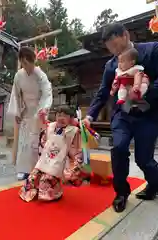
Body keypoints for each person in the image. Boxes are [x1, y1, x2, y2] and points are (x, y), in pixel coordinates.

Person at [83, 23, 158, 212]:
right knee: (119, 147)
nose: (115, 52)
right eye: (111, 49)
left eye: (116, 46)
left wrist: (144, 93)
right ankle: (121, 192)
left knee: (144, 159)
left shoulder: (151, 50)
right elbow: (102, 93)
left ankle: (154, 185)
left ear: (125, 35)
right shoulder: (110, 66)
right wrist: (90, 115)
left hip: (147, 114)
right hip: (122, 114)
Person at [19, 106, 90, 202]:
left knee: (48, 179)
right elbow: (44, 141)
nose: (61, 118)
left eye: (65, 116)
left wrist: (74, 164)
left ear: (71, 118)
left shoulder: (73, 131)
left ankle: (53, 194)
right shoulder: (51, 127)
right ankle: (34, 191)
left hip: (58, 160)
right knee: (32, 177)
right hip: (45, 157)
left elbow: (76, 149)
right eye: (59, 115)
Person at [7, 46, 52, 181]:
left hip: (38, 111)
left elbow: (47, 93)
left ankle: (37, 169)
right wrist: (17, 111)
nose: (26, 66)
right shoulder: (18, 76)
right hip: (26, 110)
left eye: (28, 63)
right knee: (23, 142)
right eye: (23, 63)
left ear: (33, 61)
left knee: (35, 142)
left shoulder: (40, 75)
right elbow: (16, 95)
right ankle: (23, 169)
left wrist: (43, 109)